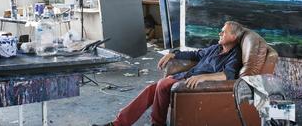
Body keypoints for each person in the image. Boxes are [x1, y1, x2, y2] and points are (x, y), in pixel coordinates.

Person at [93, 21, 245, 126]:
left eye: (223, 32)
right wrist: (174, 54)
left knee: (163, 83)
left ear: (233, 37)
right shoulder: (216, 48)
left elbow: (228, 75)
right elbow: (196, 54)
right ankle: (119, 123)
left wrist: (203, 77)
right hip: (187, 77)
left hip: (196, 84)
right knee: (151, 89)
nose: (220, 33)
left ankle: (157, 123)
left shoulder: (235, 55)